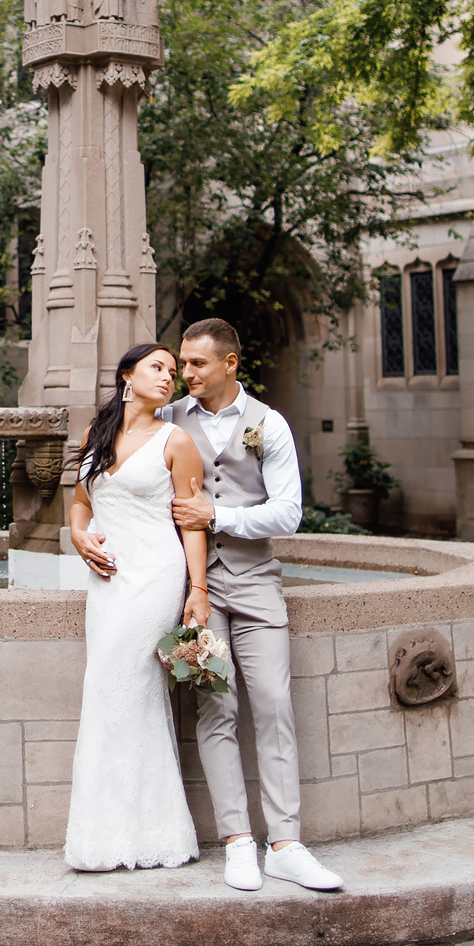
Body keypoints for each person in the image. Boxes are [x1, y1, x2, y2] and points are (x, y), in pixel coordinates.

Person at [163, 319, 344, 892]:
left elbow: (288, 514)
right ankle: (238, 842)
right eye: (182, 363)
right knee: (216, 710)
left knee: (272, 705)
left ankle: (286, 843)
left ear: (230, 363)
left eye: (196, 364)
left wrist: (217, 517)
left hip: (257, 583)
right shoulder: (169, 419)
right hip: (196, 591)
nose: (184, 374)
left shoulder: (270, 425)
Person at [62, 341, 210, 872]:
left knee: (125, 686)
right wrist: (81, 540)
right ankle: (113, 835)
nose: (169, 377)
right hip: (107, 582)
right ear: (127, 375)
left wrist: (198, 590)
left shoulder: (178, 441)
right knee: (107, 691)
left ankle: (150, 832)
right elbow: (81, 507)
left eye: (174, 371)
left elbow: (192, 521)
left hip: (154, 576)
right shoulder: (95, 437)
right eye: (158, 367)